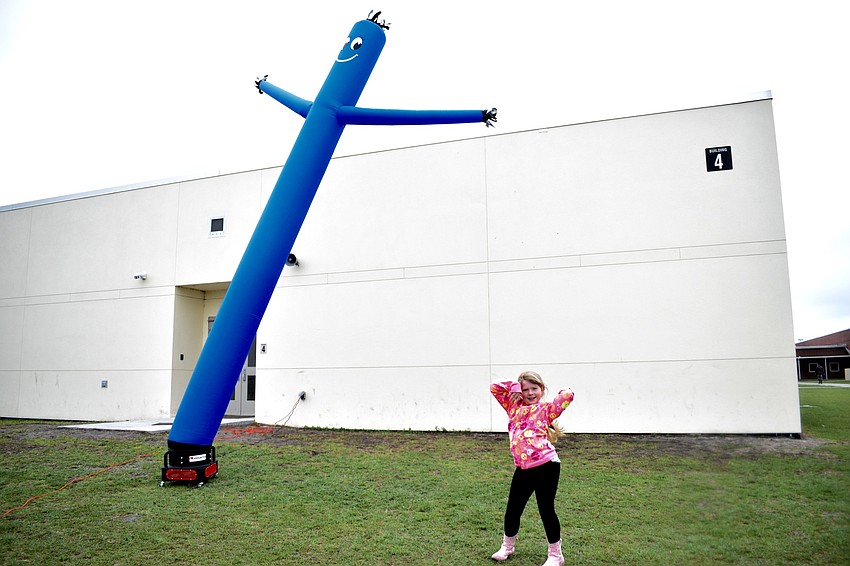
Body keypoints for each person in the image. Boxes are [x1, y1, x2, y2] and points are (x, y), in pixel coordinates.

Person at [490, 371, 575, 565]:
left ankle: (556, 556)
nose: (530, 393)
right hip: (524, 468)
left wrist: (563, 388)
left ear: (542, 389)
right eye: (525, 389)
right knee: (513, 509)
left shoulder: (546, 409)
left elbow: (568, 394)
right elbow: (494, 386)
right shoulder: (512, 406)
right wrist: (513, 387)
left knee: (546, 509)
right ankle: (507, 547)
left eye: (534, 388)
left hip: (547, 466)